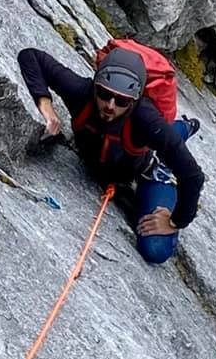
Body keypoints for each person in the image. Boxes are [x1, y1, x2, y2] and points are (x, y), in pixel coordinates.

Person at [15, 41, 204, 262]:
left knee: (156, 250)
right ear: (96, 86)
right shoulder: (82, 93)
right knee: (165, 137)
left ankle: (182, 128)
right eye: (104, 94)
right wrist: (46, 107)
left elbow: (192, 176)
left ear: (134, 101)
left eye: (122, 100)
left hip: (145, 171)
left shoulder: (146, 119)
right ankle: (179, 130)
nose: (110, 105)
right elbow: (31, 56)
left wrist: (175, 221)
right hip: (111, 163)